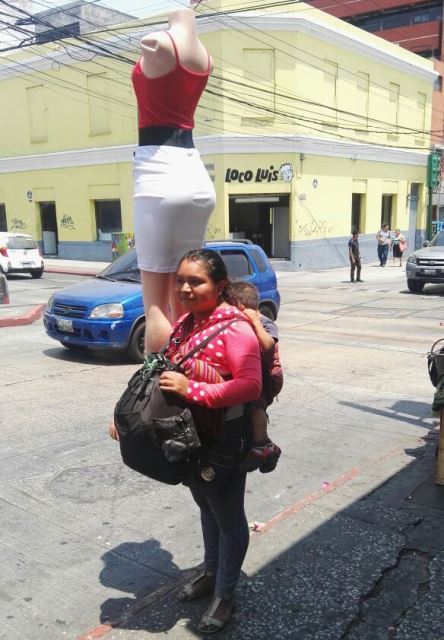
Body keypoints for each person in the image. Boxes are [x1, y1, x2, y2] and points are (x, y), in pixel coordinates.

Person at [159, 248, 262, 634]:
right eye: (180, 279)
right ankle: (211, 571)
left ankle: (225, 594)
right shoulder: (187, 322)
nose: (185, 288)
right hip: (189, 437)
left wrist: (193, 390)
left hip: (224, 440)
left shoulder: (235, 328)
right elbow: (163, 367)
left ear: (219, 286)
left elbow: (249, 385)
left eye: (196, 281)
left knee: (229, 517)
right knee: (206, 507)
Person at [131, 8, 216, 354]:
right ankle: (193, 384)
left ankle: (157, 396)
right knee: (184, 301)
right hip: (195, 174)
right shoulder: (203, 55)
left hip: (158, 173)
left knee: (154, 307)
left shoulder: (159, 43)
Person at [226, 281, 282, 473]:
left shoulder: (264, 322)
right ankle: (263, 445)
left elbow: (268, 346)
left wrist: (256, 322)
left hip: (269, 375)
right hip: (254, 372)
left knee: (255, 405)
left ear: (240, 307)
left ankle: (262, 445)